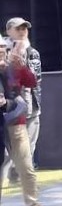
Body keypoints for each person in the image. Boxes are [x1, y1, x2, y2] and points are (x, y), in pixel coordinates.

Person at [1, 40, 49, 206]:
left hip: (16, 122)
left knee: (26, 165)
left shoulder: (13, 67)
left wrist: (22, 66)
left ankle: (34, 205)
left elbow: (31, 81)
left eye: (3, 49)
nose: (1, 52)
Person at [4, 17, 41, 186]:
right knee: (8, 149)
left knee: (29, 146)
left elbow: (35, 79)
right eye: (18, 28)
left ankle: (19, 175)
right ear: (8, 31)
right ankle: (11, 172)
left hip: (30, 106)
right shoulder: (3, 50)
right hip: (8, 109)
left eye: (25, 28)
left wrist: (21, 61)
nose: (22, 31)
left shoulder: (32, 52)